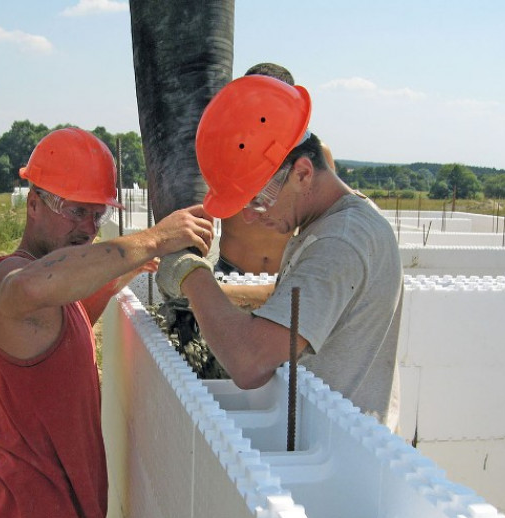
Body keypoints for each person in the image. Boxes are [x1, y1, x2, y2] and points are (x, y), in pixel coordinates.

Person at [0, 127, 214, 518]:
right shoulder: (14, 286)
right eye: (76, 212)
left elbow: (76, 306)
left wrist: (131, 266)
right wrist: (153, 238)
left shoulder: (58, 303)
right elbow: (43, 284)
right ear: (34, 203)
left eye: (96, 216)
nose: (88, 228)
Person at [156, 76, 403, 429]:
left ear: (302, 173)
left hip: (340, 457)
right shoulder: (331, 226)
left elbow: (249, 362)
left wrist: (190, 274)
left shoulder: (340, 242)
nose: (248, 217)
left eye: (258, 199)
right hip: (330, 442)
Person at [214, 63, 336, 276]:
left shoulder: (316, 154)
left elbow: (325, 217)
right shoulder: (224, 150)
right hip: (231, 272)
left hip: (283, 275)